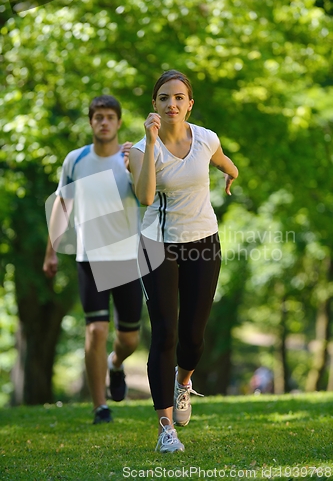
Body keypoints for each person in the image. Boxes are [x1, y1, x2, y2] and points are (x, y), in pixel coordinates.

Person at [130, 70, 239, 453]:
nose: (172, 104)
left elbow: (222, 160)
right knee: (165, 334)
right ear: (154, 106)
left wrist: (231, 173)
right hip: (158, 245)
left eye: (179, 97)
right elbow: (144, 197)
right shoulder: (145, 150)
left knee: (193, 336)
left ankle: (183, 382)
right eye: (164, 98)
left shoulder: (206, 138)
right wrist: (149, 139)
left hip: (203, 242)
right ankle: (165, 430)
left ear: (189, 104)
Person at [43, 95, 143, 425]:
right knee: (96, 330)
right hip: (90, 258)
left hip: (128, 258)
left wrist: (136, 165)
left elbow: (148, 196)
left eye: (110, 117)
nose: (104, 122)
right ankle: (100, 407)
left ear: (117, 122)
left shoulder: (131, 159)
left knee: (129, 339)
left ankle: (116, 364)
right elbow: (62, 204)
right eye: (98, 117)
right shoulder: (75, 160)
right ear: (91, 122)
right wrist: (52, 250)